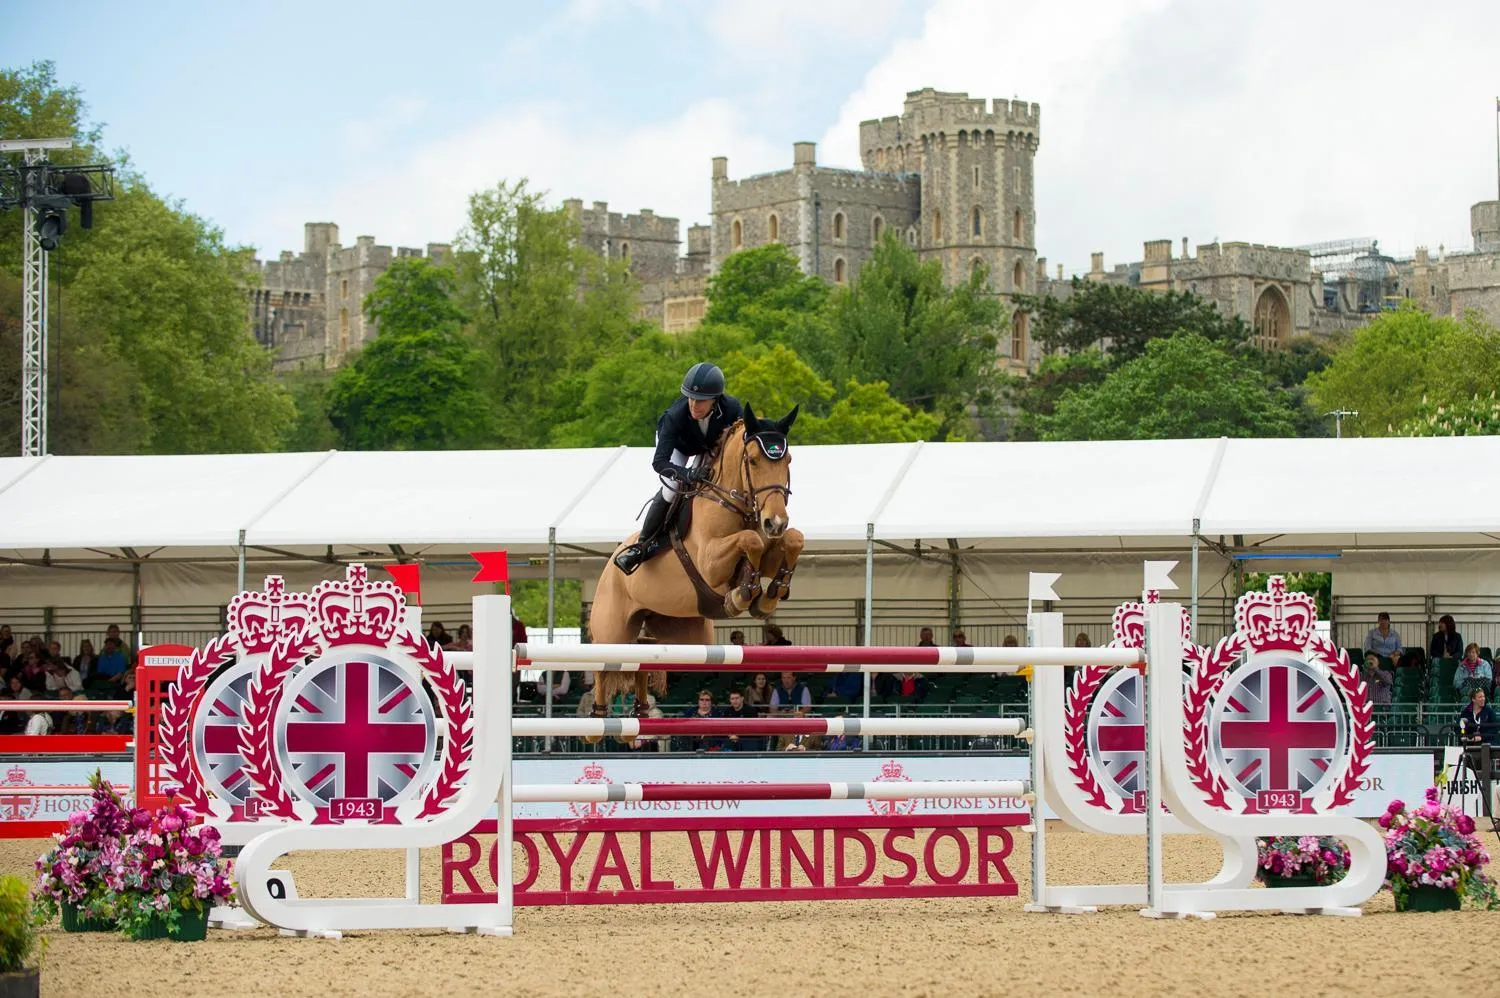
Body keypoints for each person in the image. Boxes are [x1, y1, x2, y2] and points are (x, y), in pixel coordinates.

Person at [613, 362, 745, 575]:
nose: (694, 405)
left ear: (716, 399)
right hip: (678, 447)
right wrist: (688, 474)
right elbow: (660, 463)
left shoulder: (732, 408)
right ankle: (642, 546)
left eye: (701, 401)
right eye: (690, 398)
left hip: (708, 446)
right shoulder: (674, 416)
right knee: (672, 486)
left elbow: (747, 438)